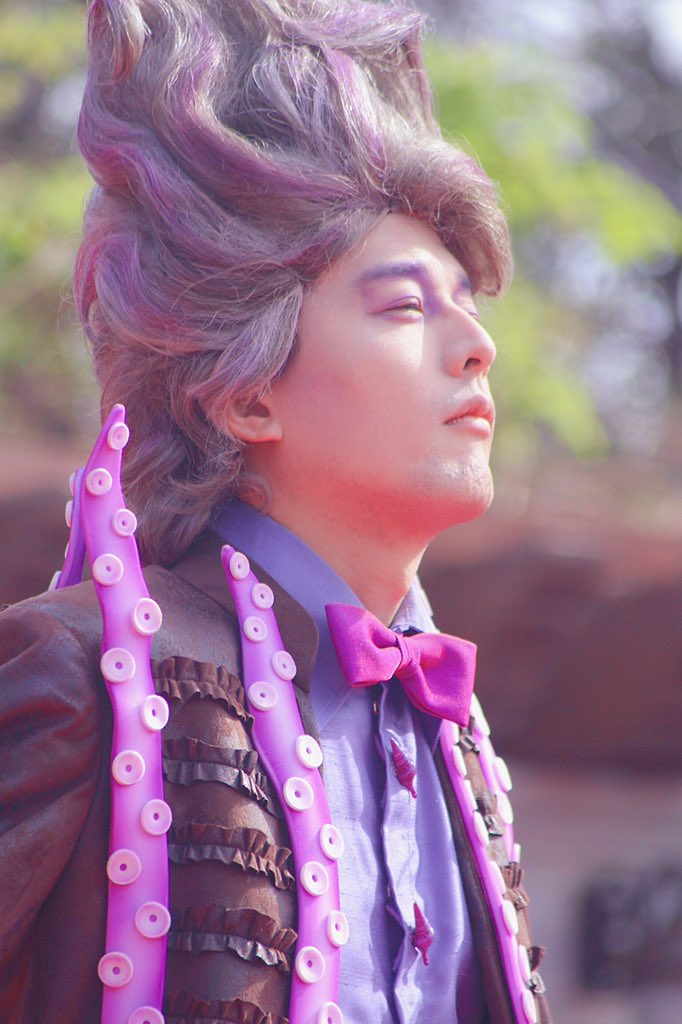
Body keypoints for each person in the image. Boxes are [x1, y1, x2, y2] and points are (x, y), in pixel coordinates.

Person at [0, 1, 551, 1022]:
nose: (476, 346)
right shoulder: (79, 669)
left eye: (467, 302)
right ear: (247, 392)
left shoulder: (456, 731)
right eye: (404, 306)